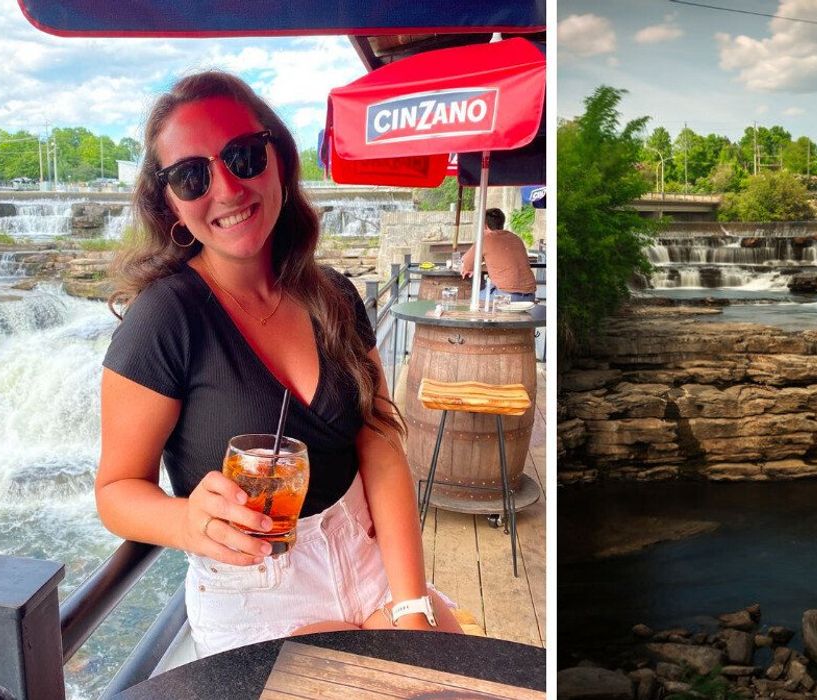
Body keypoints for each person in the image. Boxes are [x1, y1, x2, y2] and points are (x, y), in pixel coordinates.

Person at [96, 70, 461, 658]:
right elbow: (116, 490)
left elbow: (381, 445)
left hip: (368, 552)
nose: (227, 188)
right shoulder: (164, 319)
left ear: (279, 162)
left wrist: (411, 601)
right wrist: (189, 521)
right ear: (169, 203)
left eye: (243, 155)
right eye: (192, 175)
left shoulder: (335, 296)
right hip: (256, 591)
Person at [460, 207, 538, 302]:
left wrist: (469, 267)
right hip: (530, 296)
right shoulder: (516, 238)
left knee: (472, 301)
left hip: (507, 296)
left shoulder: (486, 239)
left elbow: (466, 263)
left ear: (484, 225)